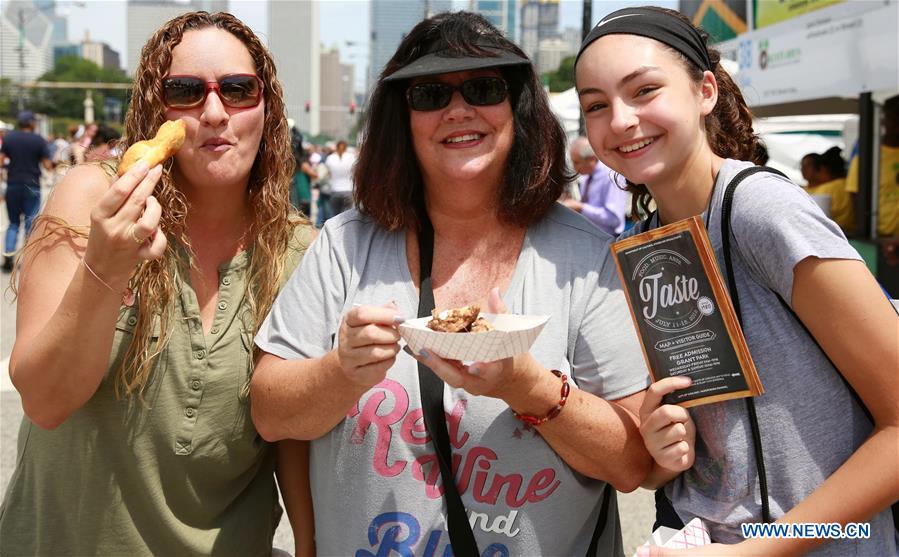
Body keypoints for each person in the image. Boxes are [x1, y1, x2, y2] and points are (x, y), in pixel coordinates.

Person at [251, 11, 652, 557]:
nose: (458, 110)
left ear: (518, 107)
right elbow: (270, 414)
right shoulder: (344, 245)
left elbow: (633, 463)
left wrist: (528, 387)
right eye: (430, 94)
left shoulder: (585, 258)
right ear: (402, 119)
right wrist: (340, 371)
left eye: (484, 89)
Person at [575, 7, 898, 556]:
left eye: (644, 90)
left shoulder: (760, 209)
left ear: (705, 91)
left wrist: (756, 549)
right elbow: (694, 457)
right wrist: (662, 452)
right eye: (596, 106)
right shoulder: (646, 243)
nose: (621, 120)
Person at [0, 11, 315, 556]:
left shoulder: (298, 249)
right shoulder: (90, 199)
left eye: (238, 89)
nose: (214, 112)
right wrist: (105, 267)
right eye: (185, 92)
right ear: (155, 108)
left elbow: (289, 432)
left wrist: (309, 546)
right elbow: (45, 402)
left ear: (267, 106)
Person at [0, 110, 52, 273]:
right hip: (32, 184)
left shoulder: (9, 138)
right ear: (30, 123)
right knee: (30, 222)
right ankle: (28, 258)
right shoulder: (39, 140)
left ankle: (8, 255)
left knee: (13, 222)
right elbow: (47, 165)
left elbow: (1, 161)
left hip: (13, 183)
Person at [563, 136, 629, 235]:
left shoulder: (611, 176)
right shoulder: (586, 177)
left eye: (576, 162)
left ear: (591, 159)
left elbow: (614, 220)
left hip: (611, 238)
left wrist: (581, 207)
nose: (574, 167)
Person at [803, 147, 853, 232]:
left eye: (807, 166)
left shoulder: (827, 189)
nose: (803, 170)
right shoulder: (847, 184)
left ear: (824, 169)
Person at [324, 139, 355, 216]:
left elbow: (328, 173)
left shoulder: (330, 158)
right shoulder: (351, 157)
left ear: (336, 147)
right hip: (348, 190)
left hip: (335, 189)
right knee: (347, 217)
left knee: (335, 216)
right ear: (346, 147)